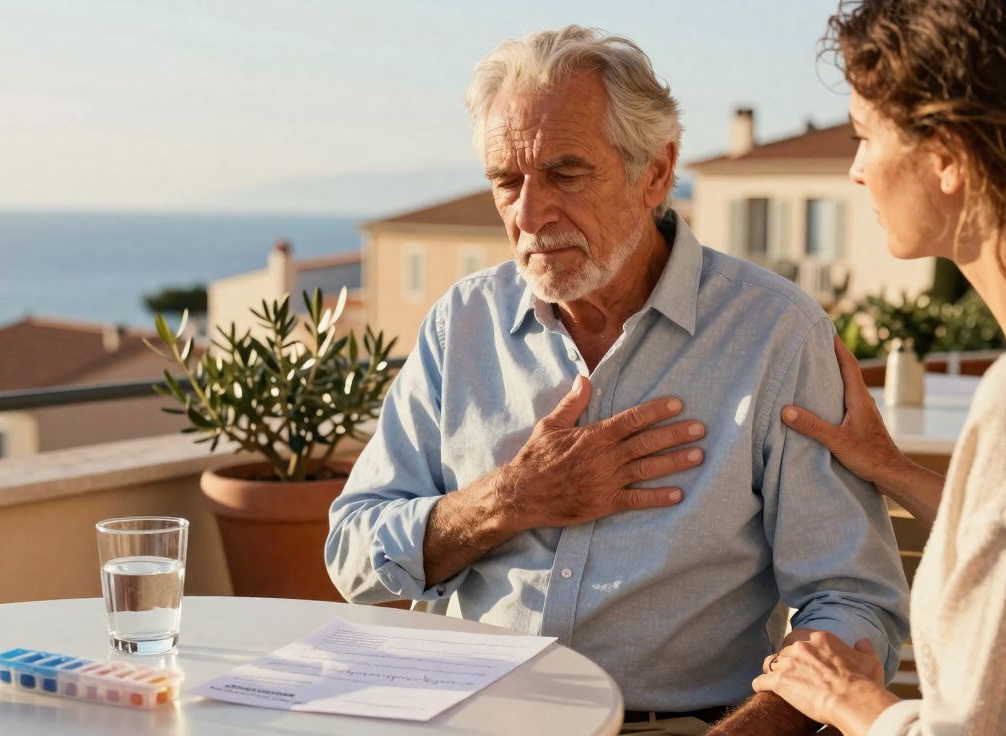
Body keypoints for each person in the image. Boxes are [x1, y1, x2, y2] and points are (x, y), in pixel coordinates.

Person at [326, 25, 909, 736]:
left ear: (656, 174)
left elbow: (853, 603)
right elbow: (352, 554)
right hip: (463, 716)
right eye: (507, 182)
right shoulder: (462, 323)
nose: (530, 215)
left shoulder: (775, 334)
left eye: (566, 174)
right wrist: (507, 499)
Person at [744, 1, 1006, 734]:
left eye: (863, 135)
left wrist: (855, 704)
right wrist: (892, 467)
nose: (855, 170)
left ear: (947, 156)